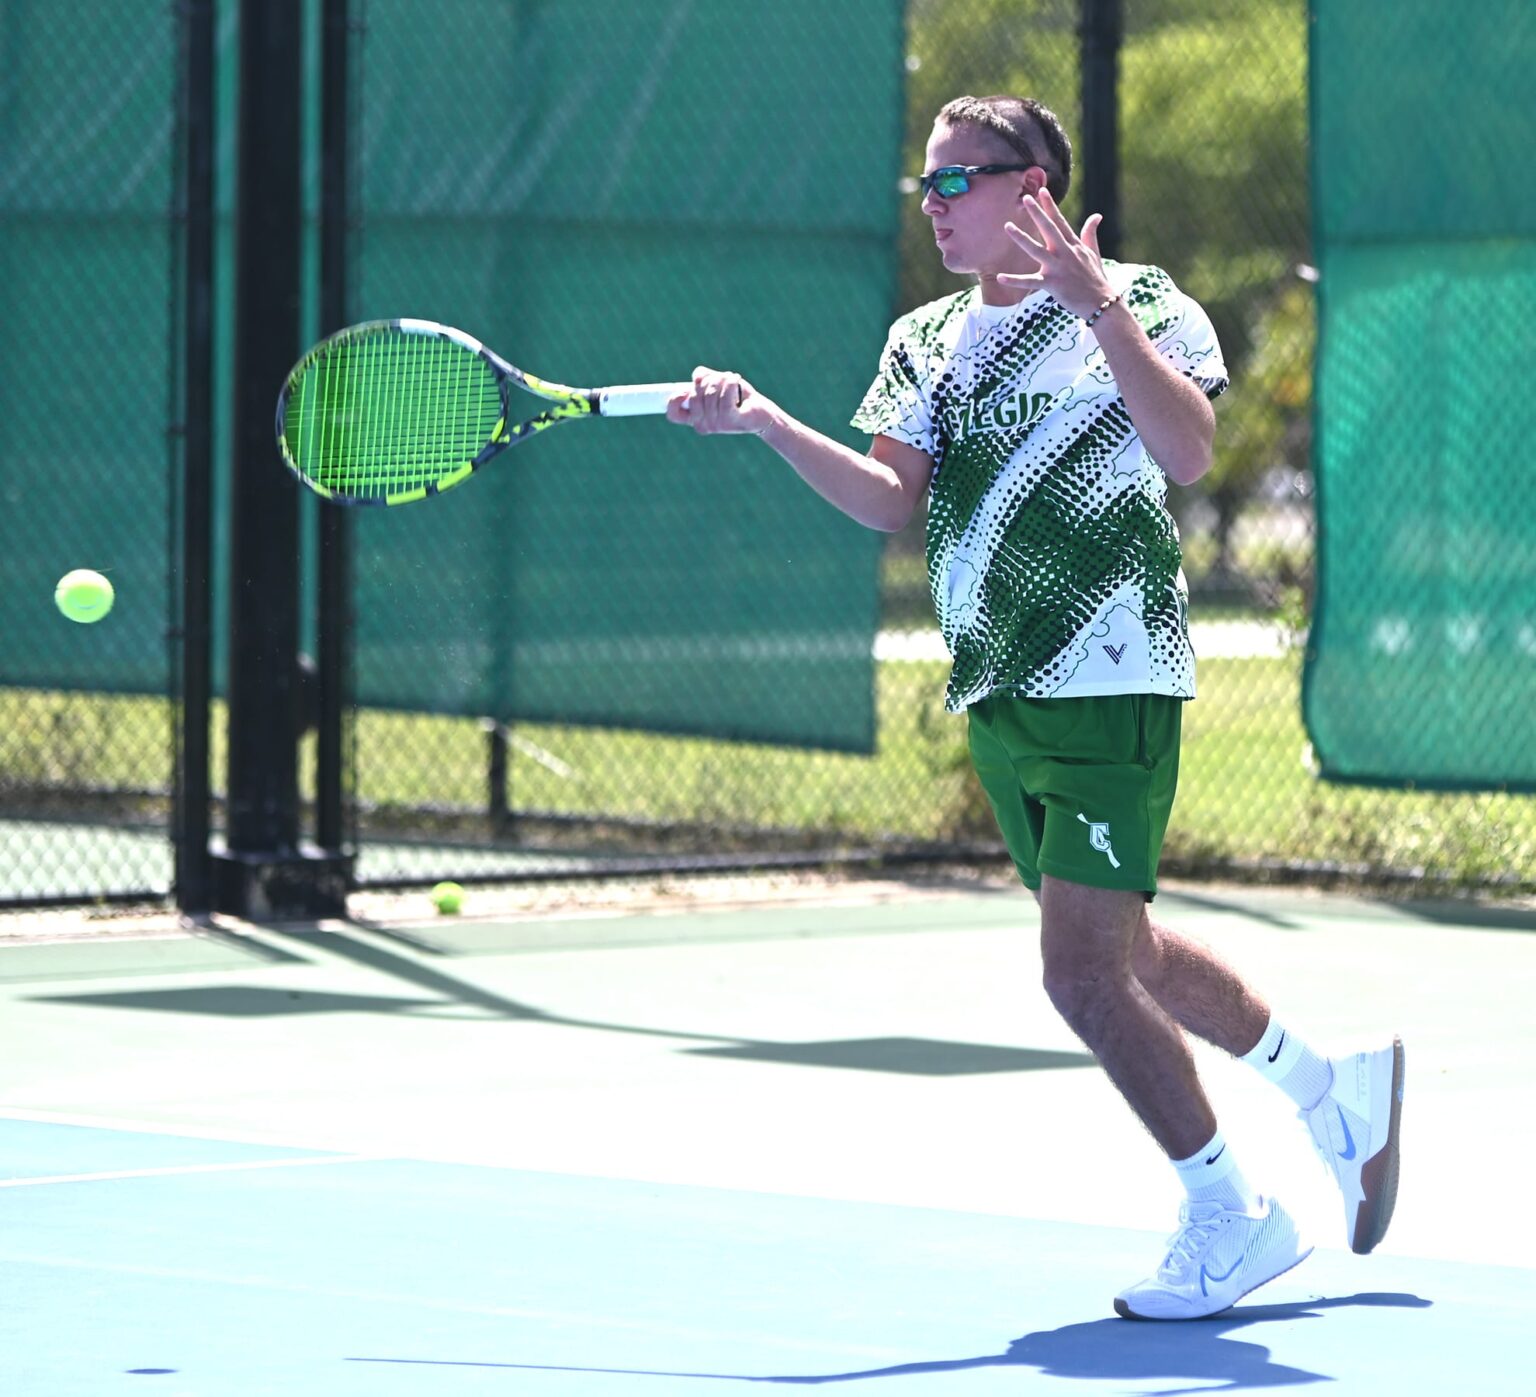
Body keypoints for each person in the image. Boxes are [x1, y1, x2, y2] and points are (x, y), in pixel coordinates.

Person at [666, 93, 1404, 1321]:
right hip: (998, 683)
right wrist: (765, 421)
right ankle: (1335, 1089)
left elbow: (1188, 452)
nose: (933, 204)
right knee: (1131, 955)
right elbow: (894, 500)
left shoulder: (1146, 301)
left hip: (1110, 670)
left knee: (1081, 973)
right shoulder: (926, 339)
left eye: (956, 181)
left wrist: (1095, 306)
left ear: (1034, 186)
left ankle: (1230, 1212)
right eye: (927, 185)